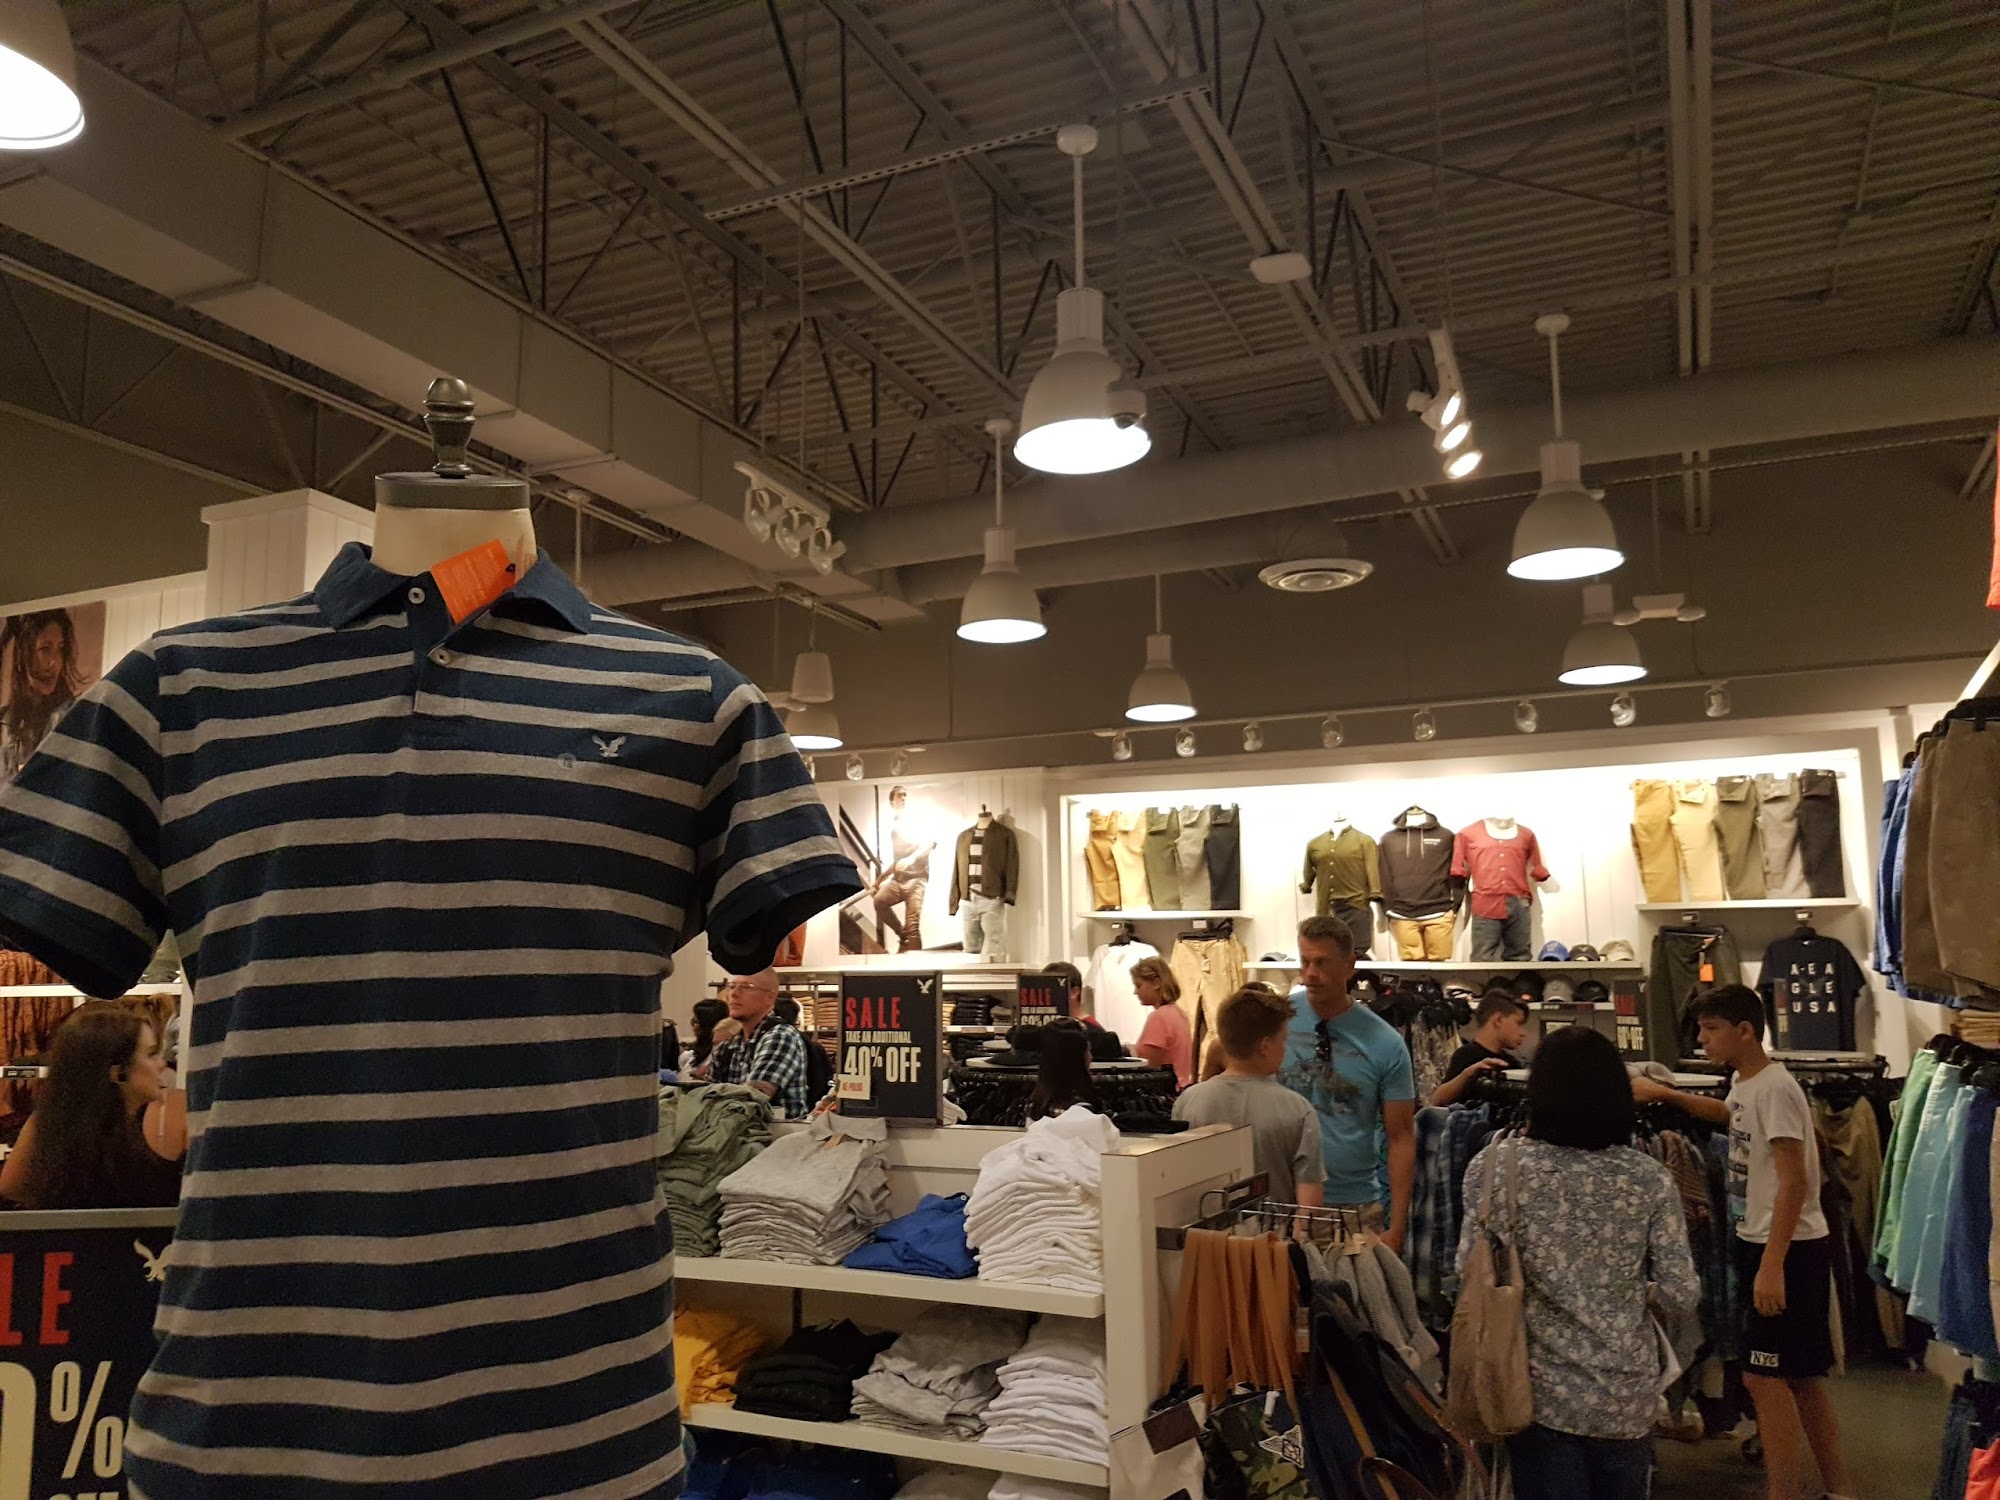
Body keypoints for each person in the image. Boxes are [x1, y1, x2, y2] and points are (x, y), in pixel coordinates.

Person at [1459, 1026, 1700, 1500]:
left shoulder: (1496, 1168)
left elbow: (1467, 1266)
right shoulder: (1648, 1178)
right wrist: (1631, 1292)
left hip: (1533, 1390)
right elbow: (1681, 1294)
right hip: (1624, 1392)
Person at [1634, 985, 1852, 1500]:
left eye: (1712, 1029)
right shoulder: (1747, 1082)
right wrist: (1668, 1095)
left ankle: (1784, 1492)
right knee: (1800, 1377)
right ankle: (1840, 1488)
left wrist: (1772, 1264)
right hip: (1772, 1243)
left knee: (1763, 1378)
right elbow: (1730, 1115)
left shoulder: (1775, 1088)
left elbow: (1796, 1180)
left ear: (1746, 1031)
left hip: (1787, 1248)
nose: (1703, 1040)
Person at [1279, 915, 1416, 1250]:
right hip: (1278, 1200)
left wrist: (1397, 1226)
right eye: (1305, 962)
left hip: (1351, 1207)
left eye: (1322, 963)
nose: (1311, 973)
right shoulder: (1277, 1019)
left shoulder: (1385, 1042)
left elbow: (1400, 1137)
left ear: (1350, 966)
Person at [0, 1002, 185, 1210]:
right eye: (151, 1054)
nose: (162, 1064)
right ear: (117, 1072)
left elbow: (11, 1187)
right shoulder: (53, 1121)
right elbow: (10, 1187)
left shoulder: (54, 1118)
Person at [1173, 985, 1325, 1205]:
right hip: (1273, 1226)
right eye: (1283, 1040)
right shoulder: (1298, 1110)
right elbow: (1309, 1206)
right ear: (1265, 1046)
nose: (1285, 1049)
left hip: (1205, 1225)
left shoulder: (1187, 1102)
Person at [698, 971, 811, 1118]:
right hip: (733, 1128)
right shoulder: (727, 1047)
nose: (734, 994)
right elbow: (707, 1102)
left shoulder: (781, 1035)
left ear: (770, 997)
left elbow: (754, 1098)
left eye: (746, 987)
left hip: (774, 1131)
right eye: (732, 986)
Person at [1, 609, 83, 780]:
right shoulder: (5, 721)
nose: (54, 662)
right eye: (45, 649)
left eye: (60, 649)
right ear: (24, 652)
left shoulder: (73, 717)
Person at [1428, 986, 1529, 1106]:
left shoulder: (1511, 1064)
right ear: (1498, 1020)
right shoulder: (1465, 1056)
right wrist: (1467, 1075)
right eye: (1519, 1023)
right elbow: (1436, 1101)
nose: (1523, 1033)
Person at [871, 785, 934, 953]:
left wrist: (911, 859)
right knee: (879, 901)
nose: (903, 798)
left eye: (905, 795)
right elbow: (898, 861)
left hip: (916, 879)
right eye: (899, 795)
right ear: (892, 801)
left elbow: (929, 844)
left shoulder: (916, 820)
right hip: (899, 880)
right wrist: (880, 879)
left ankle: (915, 963)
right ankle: (902, 934)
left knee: (913, 925)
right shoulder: (896, 827)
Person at [1129, 955, 1193, 1087]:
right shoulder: (1179, 1013)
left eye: (1139, 985)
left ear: (1156, 983)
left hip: (1166, 1090)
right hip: (1182, 1087)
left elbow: (1150, 1067)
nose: (1136, 992)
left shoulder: (1159, 1017)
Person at [1026, 1019, 1099, 1121]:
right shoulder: (1084, 1109)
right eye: (1088, 1051)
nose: (1091, 1057)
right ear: (1079, 1058)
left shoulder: (1035, 1105)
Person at [682, 996, 728, 1074]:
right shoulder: (689, 1056)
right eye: (693, 1020)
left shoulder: (719, 1056)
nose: (693, 1025)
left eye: (697, 1022)